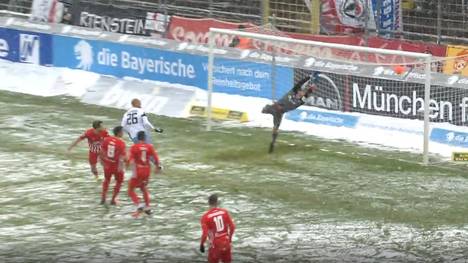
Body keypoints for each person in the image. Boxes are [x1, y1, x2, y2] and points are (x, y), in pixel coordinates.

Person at [261, 72, 320, 153]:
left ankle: (273, 142)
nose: (300, 92)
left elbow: (307, 94)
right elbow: (300, 83)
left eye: (302, 93)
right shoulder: (292, 92)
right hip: (274, 107)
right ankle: (266, 109)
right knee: (264, 110)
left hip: (279, 113)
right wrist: (309, 77)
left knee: (275, 128)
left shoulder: (299, 102)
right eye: (300, 91)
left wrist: (312, 89)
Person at [127, 131, 161, 216]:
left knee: (130, 190)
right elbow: (155, 158)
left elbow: (130, 160)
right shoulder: (149, 147)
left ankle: (139, 205)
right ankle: (148, 207)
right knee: (143, 187)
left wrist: (127, 167)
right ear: (145, 138)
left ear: (138, 138)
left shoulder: (134, 147)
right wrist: (157, 167)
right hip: (147, 170)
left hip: (138, 169)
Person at [199, 194, 236, 263]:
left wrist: (201, 244)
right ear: (217, 202)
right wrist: (230, 239)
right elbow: (232, 227)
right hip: (226, 241)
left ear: (208, 203)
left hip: (215, 244)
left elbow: (205, 234)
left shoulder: (205, 217)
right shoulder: (224, 212)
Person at [100, 126, 127, 205]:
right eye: (122, 132)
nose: (123, 133)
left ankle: (103, 198)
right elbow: (122, 157)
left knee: (106, 180)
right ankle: (113, 200)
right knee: (119, 181)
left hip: (107, 164)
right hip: (116, 165)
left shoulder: (107, 139)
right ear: (119, 133)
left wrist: (102, 161)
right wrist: (124, 165)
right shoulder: (121, 143)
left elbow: (102, 151)